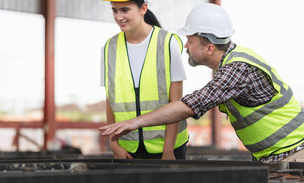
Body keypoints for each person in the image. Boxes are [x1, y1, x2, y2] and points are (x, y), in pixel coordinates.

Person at [99, 3, 304, 163]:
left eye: (190, 40)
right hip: (279, 155)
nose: (186, 45)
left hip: (294, 153)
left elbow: (191, 105)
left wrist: (134, 123)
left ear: (209, 48)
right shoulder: (232, 63)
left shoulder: (237, 69)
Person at [100, 0, 189, 160]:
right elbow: (110, 98)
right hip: (127, 150)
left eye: (125, 10)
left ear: (143, 9)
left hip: (168, 149)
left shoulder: (168, 43)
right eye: (114, 11)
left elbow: (177, 102)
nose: (118, 17)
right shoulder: (109, 47)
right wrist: (114, 144)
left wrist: (168, 151)